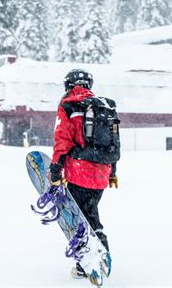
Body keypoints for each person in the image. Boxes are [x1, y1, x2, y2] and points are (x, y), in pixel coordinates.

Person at [49, 69, 119, 278]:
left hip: (79, 172)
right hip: (102, 174)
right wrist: (113, 172)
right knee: (90, 213)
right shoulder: (104, 107)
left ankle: (87, 264)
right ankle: (99, 254)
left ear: (68, 85)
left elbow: (63, 140)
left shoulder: (68, 105)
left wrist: (55, 170)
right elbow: (114, 144)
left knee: (80, 221)